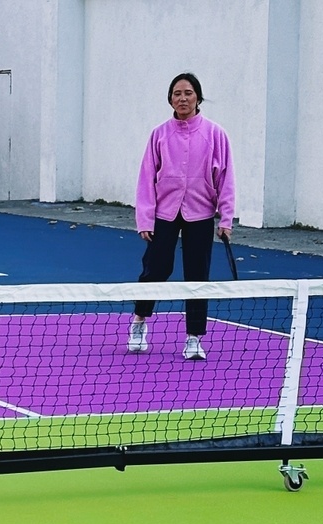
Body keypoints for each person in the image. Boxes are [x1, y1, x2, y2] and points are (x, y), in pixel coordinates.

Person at [128, 73, 235, 361]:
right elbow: (146, 177)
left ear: (198, 98)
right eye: (177, 93)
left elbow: (226, 179)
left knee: (197, 276)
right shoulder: (159, 134)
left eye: (188, 93)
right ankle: (139, 321)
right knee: (156, 269)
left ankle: (193, 337)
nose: (183, 98)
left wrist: (226, 219)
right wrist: (145, 219)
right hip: (164, 213)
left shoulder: (216, 134)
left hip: (200, 214)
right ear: (170, 99)